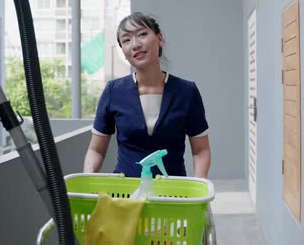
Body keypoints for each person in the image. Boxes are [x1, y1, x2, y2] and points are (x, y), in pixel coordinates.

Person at [83, 12, 211, 178]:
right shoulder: (114, 92)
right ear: (123, 51)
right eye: (126, 40)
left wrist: (199, 187)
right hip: (125, 195)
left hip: (174, 193)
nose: (135, 44)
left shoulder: (186, 91)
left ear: (159, 38)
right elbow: (96, 150)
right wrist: (87, 178)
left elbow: (201, 150)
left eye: (142, 34)